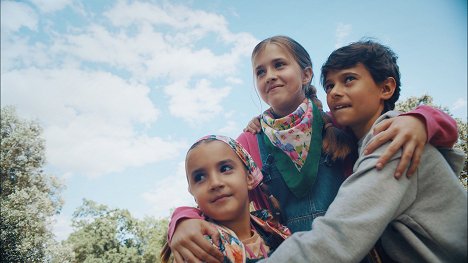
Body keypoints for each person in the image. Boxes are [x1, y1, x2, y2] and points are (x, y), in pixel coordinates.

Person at [167, 36, 459, 263]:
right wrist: (181, 220)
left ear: (306, 75)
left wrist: (421, 120)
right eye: (260, 71)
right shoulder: (248, 142)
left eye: (279, 65)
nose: (269, 75)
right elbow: (218, 192)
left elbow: (441, 137)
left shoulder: (345, 124)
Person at [259, 39, 467, 262]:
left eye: (349, 79)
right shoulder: (358, 143)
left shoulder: (393, 142)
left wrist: (423, 118)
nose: (335, 92)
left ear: (385, 88)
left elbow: (337, 238)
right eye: (329, 86)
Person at [160, 135, 290, 263]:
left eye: (225, 169)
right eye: (199, 177)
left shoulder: (272, 229)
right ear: (192, 192)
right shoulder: (198, 250)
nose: (215, 183)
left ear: (249, 177)